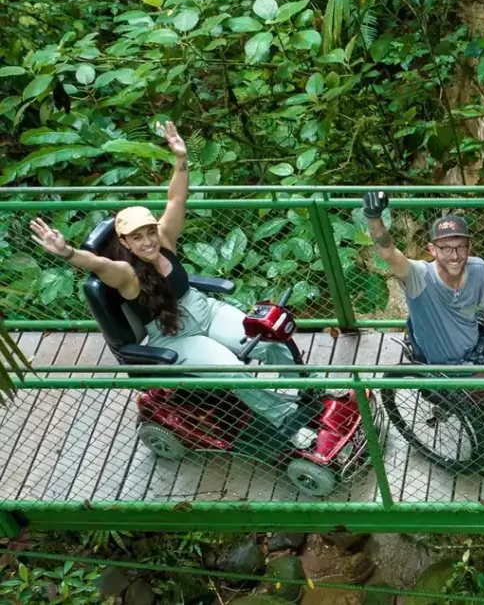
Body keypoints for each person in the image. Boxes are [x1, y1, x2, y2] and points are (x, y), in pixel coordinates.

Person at [29, 121, 314, 444]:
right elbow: (96, 263)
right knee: (232, 369)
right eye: (137, 237)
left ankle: (301, 390)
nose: (148, 241)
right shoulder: (126, 273)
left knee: (269, 337)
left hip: (204, 309)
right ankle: (285, 420)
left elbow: (176, 199)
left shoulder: (164, 239)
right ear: (125, 240)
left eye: (149, 231)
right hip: (173, 334)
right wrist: (66, 251)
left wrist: (180, 157)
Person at [362, 191, 484, 432]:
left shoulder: (478, 269)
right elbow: (388, 253)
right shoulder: (419, 276)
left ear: (469, 246)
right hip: (449, 366)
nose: (455, 255)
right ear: (432, 249)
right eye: (446, 248)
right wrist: (373, 217)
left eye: (460, 247)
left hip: (479, 346)